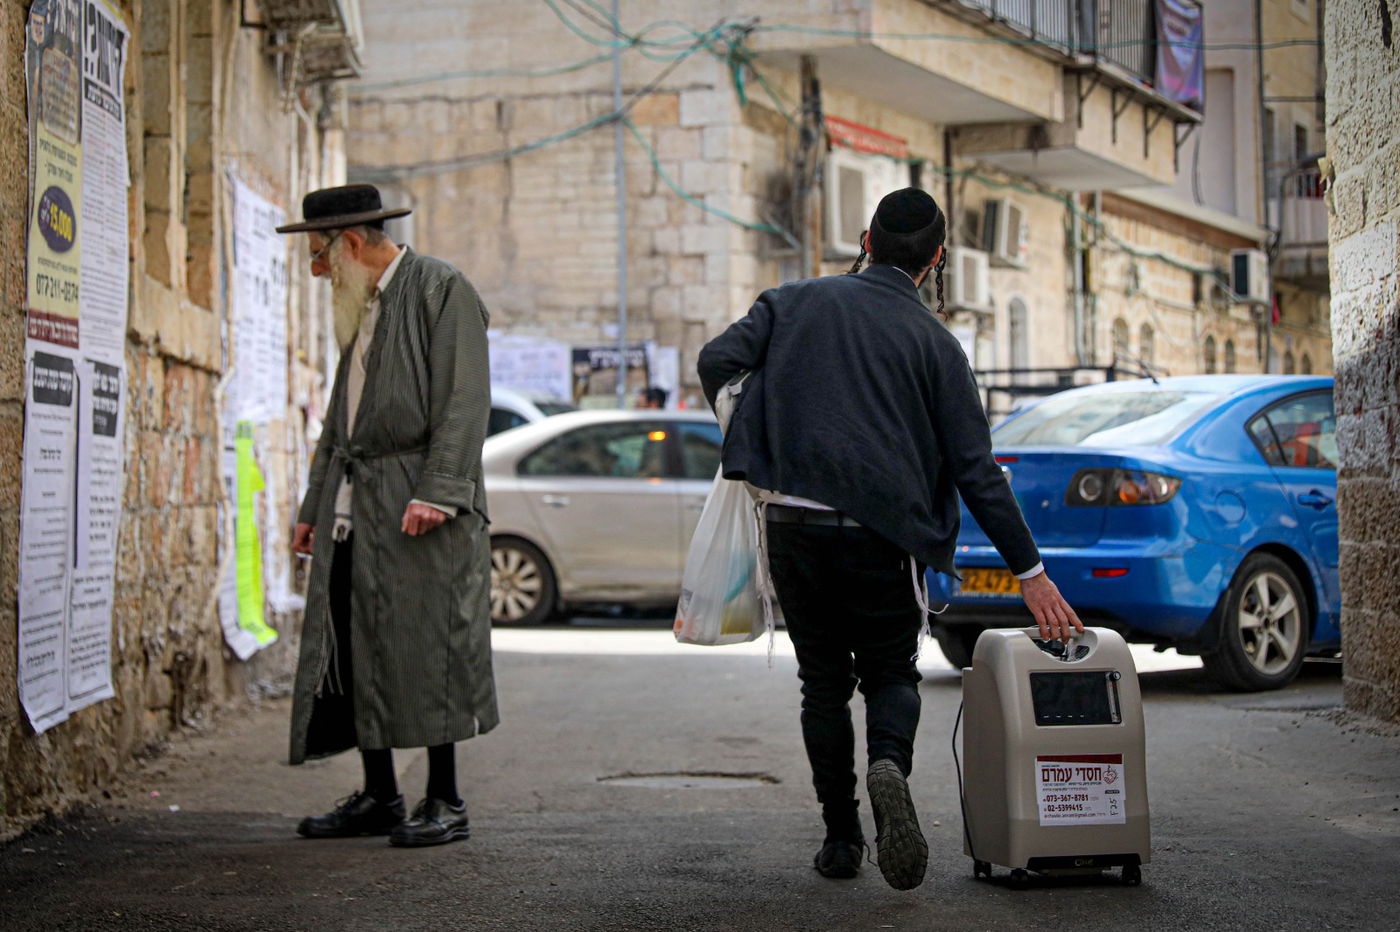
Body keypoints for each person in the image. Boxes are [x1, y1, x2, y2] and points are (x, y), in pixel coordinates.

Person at [697, 188, 1082, 891]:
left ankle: (841, 840)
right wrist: (1031, 572)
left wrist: (756, 438)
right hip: (884, 537)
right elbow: (976, 471)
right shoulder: (936, 343)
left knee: (821, 685)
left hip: (794, 526)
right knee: (891, 674)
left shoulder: (791, 304)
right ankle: (889, 765)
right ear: (937, 259)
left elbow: (715, 361)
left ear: (867, 239)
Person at [278, 184, 498, 847]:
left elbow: (465, 397)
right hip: (357, 501)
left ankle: (447, 799)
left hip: (418, 499)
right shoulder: (361, 305)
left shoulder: (439, 287)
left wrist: (438, 490)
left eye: (317, 254)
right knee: (358, 641)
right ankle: (381, 795)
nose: (315, 270)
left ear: (349, 242)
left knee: (429, 646)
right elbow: (338, 421)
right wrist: (316, 505)